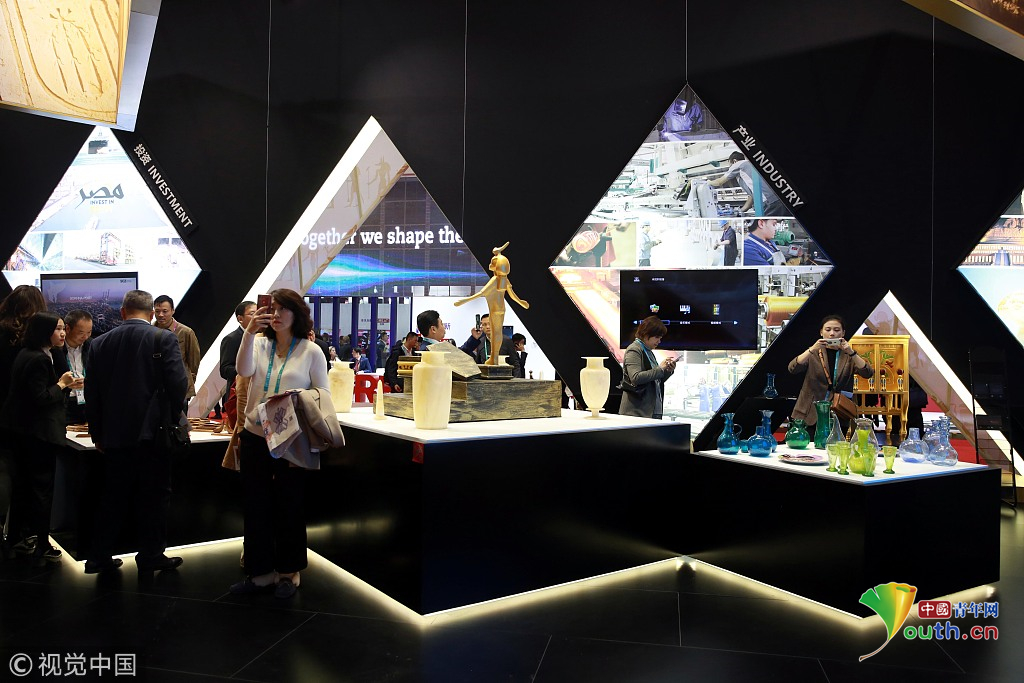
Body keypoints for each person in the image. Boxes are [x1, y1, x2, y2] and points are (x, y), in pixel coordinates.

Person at [230, 288, 328, 599]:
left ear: (297, 314)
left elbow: (323, 394)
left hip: (290, 438)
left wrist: (296, 397)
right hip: (255, 434)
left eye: (283, 308)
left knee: (290, 503)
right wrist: (249, 332)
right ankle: (259, 572)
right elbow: (243, 370)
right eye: (271, 307)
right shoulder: (259, 343)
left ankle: (289, 572)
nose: (275, 314)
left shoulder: (311, 351)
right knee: (255, 504)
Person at [84, 290, 189, 574]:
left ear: (122, 312)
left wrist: (97, 434)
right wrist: (173, 418)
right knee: (155, 495)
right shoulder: (163, 338)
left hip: (114, 434)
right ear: (152, 313)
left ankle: (98, 557)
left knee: (113, 495)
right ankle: (151, 555)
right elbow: (178, 384)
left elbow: (91, 393)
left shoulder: (99, 343)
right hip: (153, 433)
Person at [2, 313, 81, 567]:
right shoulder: (38, 358)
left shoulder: (30, 353)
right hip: (38, 435)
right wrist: (62, 384)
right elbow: (40, 398)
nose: (62, 333)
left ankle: (16, 540)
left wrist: (65, 386)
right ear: (44, 331)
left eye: (63, 328)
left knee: (24, 488)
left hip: (24, 433)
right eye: (57, 329)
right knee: (41, 492)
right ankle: (42, 545)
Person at [0, 285, 47, 559]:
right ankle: (18, 535)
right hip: (24, 419)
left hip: (5, 416)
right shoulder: (31, 344)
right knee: (22, 480)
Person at [788, 314, 874, 437]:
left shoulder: (848, 355)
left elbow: (868, 373)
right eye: (828, 330)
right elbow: (793, 368)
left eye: (837, 330)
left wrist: (851, 352)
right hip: (809, 411)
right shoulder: (813, 352)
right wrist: (811, 349)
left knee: (835, 446)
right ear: (821, 332)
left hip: (838, 411)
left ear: (843, 333)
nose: (832, 334)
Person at [619, 316, 676, 419]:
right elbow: (635, 378)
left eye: (660, 338)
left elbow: (655, 380)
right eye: (657, 337)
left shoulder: (648, 351)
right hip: (636, 414)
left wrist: (667, 370)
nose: (659, 341)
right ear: (646, 335)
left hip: (651, 412)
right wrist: (660, 369)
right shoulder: (634, 350)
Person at [707, 151, 787, 216]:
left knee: (762, 227)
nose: (729, 167)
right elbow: (751, 197)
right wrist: (740, 211)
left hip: (769, 201)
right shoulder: (748, 169)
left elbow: (719, 182)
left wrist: (708, 182)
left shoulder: (739, 164)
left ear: (734, 161)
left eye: (729, 164)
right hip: (778, 200)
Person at [154, 295, 201, 401]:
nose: (161, 315)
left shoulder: (185, 332)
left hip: (180, 387)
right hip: (155, 388)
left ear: (172, 311)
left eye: (165, 311)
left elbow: (194, 361)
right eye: (157, 311)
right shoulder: (149, 331)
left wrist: (189, 382)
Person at [53, 309, 93, 425]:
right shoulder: (55, 348)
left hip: (87, 403)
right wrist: (64, 383)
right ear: (68, 329)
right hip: (63, 403)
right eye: (81, 333)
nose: (85, 337)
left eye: (89, 332)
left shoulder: (93, 346)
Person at [219, 301, 255, 406]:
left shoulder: (262, 336)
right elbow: (225, 370)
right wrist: (247, 371)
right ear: (240, 318)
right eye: (252, 314)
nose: (256, 317)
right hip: (238, 394)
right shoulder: (232, 339)